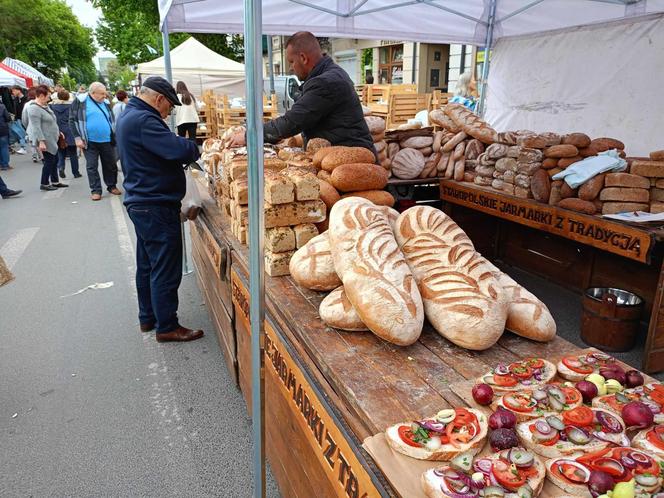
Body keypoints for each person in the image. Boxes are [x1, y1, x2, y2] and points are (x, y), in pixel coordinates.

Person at [115, 76, 203, 343]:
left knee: (148, 265)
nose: (169, 113)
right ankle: (167, 325)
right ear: (159, 99)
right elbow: (180, 150)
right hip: (154, 204)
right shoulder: (144, 120)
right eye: (169, 107)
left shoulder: (131, 115)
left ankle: (148, 318)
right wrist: (193, 146)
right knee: (165, 267)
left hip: (143, 201)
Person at [230, 31, 373, 151]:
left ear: (303, 58)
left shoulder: (325, 82)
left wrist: (249, 135)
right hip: (342, 155)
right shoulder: (330, 74)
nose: (291, 68)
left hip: (352, 160)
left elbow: (292, 122)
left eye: (291, 62)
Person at [69, 81, 120, 201]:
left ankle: (111, 185)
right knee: (92, 166)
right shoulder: (80, 102)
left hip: (107, 140)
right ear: (92, 93)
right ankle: (96, 190)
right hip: (89, 140)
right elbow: (72, 120)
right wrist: (77, 138)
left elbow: (111, 119)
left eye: (105, 93)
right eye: (102, 93)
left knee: (111, 165)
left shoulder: (106, 103)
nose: (104, 96)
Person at [27, 85, 68, 191]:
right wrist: (41, 141)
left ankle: (55, 181)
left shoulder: (44, 106)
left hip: (52, 138)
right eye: (48, 96)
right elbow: (36, 127)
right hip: (45, 139)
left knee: (55, 159)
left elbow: (52, 121)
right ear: (41, 96)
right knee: (49, 161)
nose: (49, 98)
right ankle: (44, 183)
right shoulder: (34, 108)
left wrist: (58, 132)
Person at [50, 89, 81, 179]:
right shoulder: (72, 106)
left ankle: (61, 167)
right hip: (70, 130)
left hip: (58, 131)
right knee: (73, 153)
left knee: (61, 152)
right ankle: (76, 172)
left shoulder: (52, 106)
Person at [9, 86, 28, 155]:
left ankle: (24, 148)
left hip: (24, 119)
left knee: (21, 133)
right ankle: (23, 147)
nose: (12, 92)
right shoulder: (16, 99)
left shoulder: (25, 99)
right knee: (20, 133)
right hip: (18, 119)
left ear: (19, 90)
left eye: (14, 91)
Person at [0, 101, 11, 170]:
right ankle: (5, 165)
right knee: (4, 147)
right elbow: (7, 118)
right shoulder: (2, 106)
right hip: (2, 129)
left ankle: (1, 164)